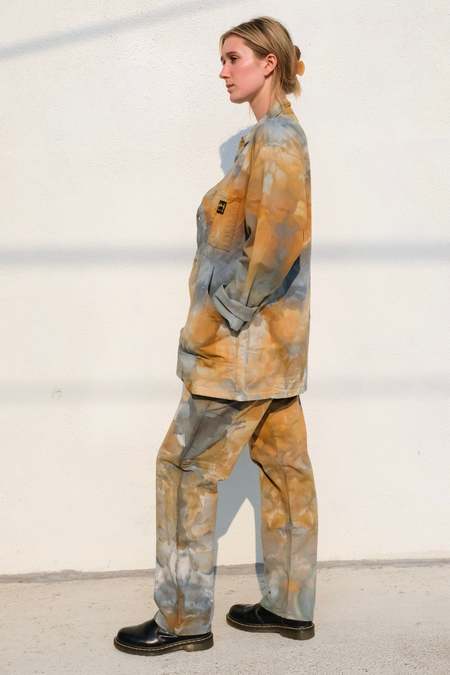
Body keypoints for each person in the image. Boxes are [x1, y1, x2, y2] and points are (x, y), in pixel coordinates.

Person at [114, 15, 318, 657]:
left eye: (234, 58)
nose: (223, 70)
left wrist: (224, 316)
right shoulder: (270, 138)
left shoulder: (276, 138)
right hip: (274, 353)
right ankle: (288, 606)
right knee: (284, 473)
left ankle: (181, 620)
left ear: (269, 62)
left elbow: (278, 242)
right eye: (223, 59)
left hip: (241, 354)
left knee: (182, 469)